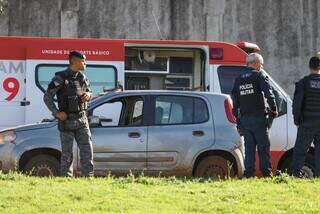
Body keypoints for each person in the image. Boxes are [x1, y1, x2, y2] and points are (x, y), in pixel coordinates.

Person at [43, 51, 93, 177]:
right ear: (75, 62)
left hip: (82, 119)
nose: (85, 63)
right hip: (67, 121)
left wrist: (88, 95)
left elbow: (89, 91)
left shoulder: (82, 77)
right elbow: (47, 97)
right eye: (83, 61)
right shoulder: (60, 78)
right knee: (67, 154)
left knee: (87, 151)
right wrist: (56, 113)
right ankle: (66, 179)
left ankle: (88, 178)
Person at [231, 53, 278, 178]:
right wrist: (274, 109)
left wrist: (237, 117)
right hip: (259, 119)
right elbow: (269, 93)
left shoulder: (238, 79)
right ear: (256, 63)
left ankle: (249, 175)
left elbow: (234, 101)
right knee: (263, 148)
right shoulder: (259, 75)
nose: (261, 67)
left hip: (245, 119)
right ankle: (267, 174)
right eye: (261, 64)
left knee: (250, 150)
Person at [290, 56, 320, 178]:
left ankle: (295, 175)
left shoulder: (303, 83)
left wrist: (297, 120)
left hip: (307, 122)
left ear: (309, 66)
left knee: (300, 151)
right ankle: (318, 177)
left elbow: (297, 104)